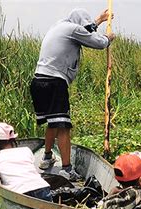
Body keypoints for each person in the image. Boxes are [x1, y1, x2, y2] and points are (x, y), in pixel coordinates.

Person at [30, 8, 115, 181]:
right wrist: (108, 39)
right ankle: (67, 169)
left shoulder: (61, 26)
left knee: (53, 123)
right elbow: (98, 42)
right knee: (63, 127)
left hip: (38, 81)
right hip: (54, 82)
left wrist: (99, 20)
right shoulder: (73, 29)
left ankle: (46, 158)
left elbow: (85, 30)